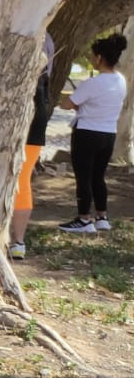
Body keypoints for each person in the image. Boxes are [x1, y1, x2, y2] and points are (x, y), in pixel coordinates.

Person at [58, 33, 128, 234]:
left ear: (99, 58)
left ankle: (83, 219)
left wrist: (77, 103)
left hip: (87, 133)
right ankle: (102, 217)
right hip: (108, 134)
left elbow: (66, 104)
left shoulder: (92, 83)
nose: (91, 59)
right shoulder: (120, 80)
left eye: (92, 56)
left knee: (84, 177)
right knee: (98, 176)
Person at [10, 36, 56, 258]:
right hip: (38, 117)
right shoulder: (48, 39)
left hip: (13, 117)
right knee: (23, 179)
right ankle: (18, 242)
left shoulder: (22, 31)